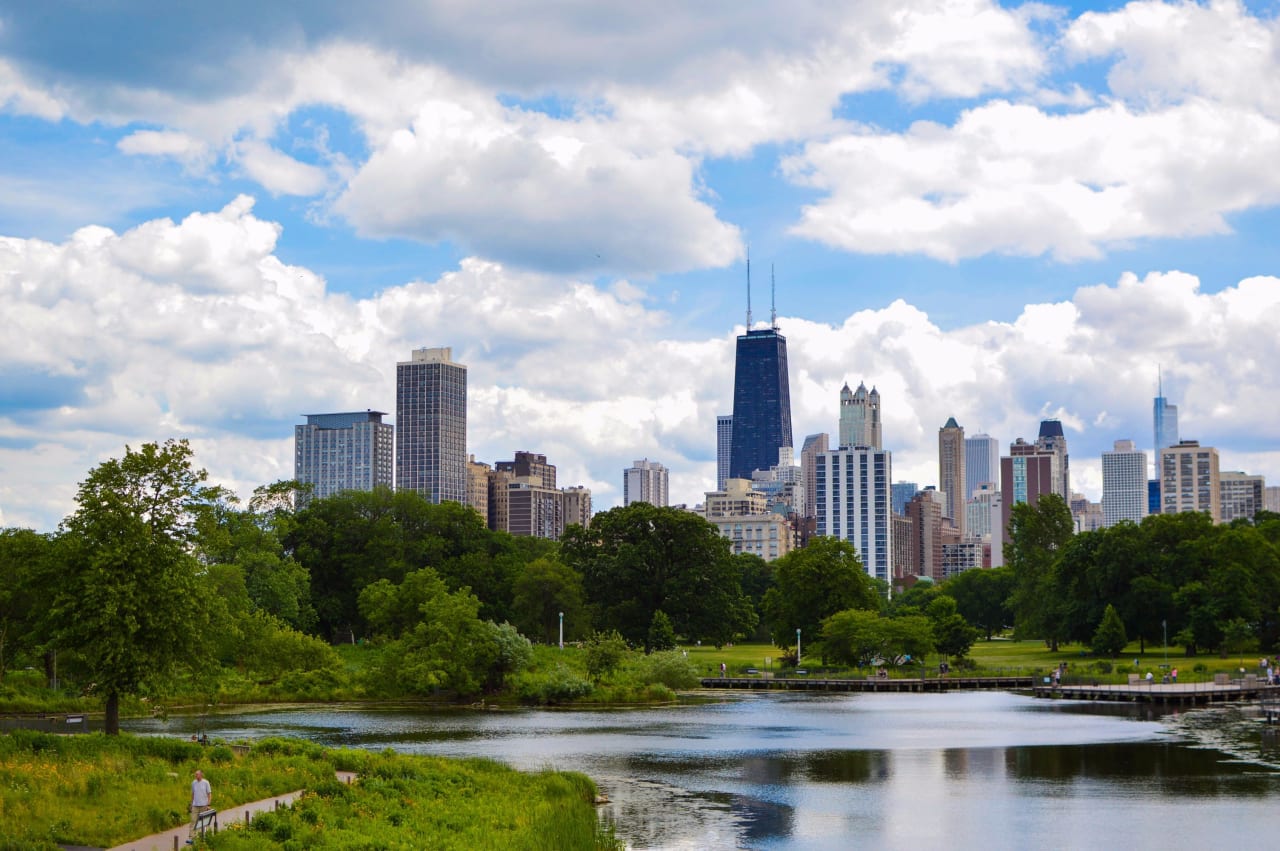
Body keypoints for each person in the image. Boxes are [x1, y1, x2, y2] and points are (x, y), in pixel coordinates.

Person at [189, 768, 213, 843]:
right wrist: (191, 804)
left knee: (203, 822)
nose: (196, 775)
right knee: (193, 820)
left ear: (201, 775)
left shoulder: (206, 782)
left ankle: (202, 836)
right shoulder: (193, 783)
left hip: (204, 805)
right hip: (195, 805)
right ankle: (192, 837)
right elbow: (192, 794)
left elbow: (209, 794)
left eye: (197, 774)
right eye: (195, 774)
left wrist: (208, 804)